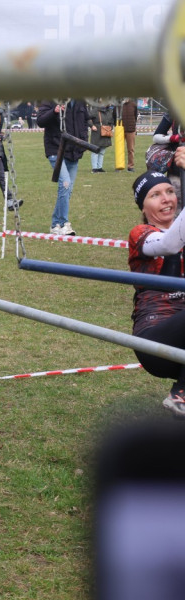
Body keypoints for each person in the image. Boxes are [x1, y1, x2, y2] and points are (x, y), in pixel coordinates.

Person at [127, 162, 185, 418]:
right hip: (155, 339)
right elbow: (170, 244)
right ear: (143, 206)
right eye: (155, 195)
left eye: (169, 191)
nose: (166, 199)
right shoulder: (142, 234)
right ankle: (181, 394)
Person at [37, 99, 89, 236]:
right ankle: (64, 223)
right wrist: (53, 111)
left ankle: (55, 224)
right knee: (65, 185)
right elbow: (40, 121)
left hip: (74, 151)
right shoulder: (50, 99)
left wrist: (83, 142)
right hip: (56, 150)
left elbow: (85, 122)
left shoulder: (80, 102)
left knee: (67, 190)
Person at [87, 104, 115, 173]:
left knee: (102, 151)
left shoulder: (109, 111)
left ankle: (99, 167)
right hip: (97, 133)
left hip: (106, 133)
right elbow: (87, 118)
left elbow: (111, 121)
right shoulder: (95, 110)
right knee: (95, 151)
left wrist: (111, 127)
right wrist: (92, 126)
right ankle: (94, 168)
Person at [121, 98, 138, 172]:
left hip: (131, 130)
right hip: (120, 130)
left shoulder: (133, 105)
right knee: (120, 149)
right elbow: (114, 116)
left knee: (130, 149)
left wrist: (133, 126)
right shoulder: (119, 105)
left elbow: (136, 116)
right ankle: (119, 166)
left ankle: (130, 166)